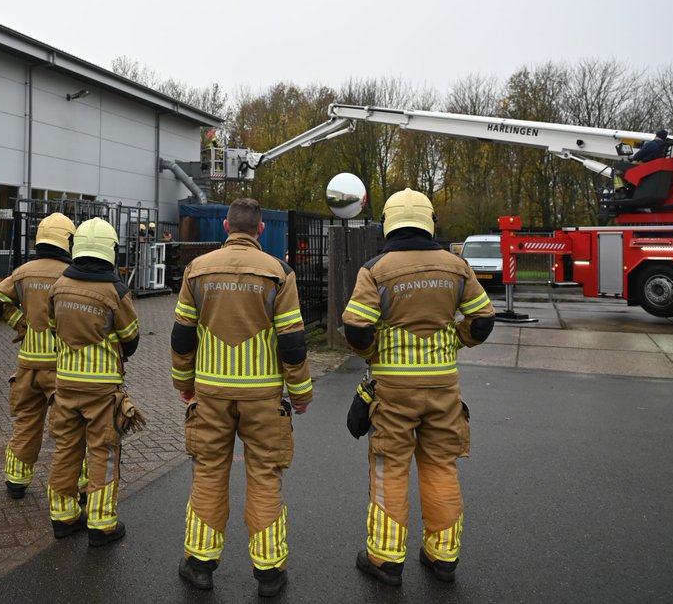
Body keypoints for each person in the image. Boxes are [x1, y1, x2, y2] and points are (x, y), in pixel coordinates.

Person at [342, 188, 496, 587]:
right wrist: (455, 341)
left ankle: (386, 560)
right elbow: (482, 320)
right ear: (430, 223)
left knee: (389, 468)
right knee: (441, 466)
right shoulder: (456, 266)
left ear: (388, 224)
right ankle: (443, 557)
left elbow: (357, 327)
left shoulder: (376, 268)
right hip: (443, 387)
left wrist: (375, 353)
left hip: (393, 391)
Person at [171, 198, 312, 597]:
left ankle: (199, 565)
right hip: (264, 398)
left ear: (227, 225)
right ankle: (268, 572)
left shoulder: (197, 271)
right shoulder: (280, 273)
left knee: (209, 472)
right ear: (261, 229)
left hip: (211, 395)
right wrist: (300, 392)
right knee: (265, 475)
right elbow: (293, 341)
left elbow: (182, 335)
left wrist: (184, 382)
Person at [46, 217, 140, 547]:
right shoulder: (115, 291)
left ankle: (63, 516)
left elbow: (53, 326)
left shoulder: (59, 285)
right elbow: (131, 338)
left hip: (66, 384)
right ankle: (101, 524)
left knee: (66, 450)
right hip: (102, 389)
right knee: (103, 452)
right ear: (110, 249)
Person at [0, 212, 78, 500]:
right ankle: (74, 487)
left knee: (26, 422)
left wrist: (20, 322)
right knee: (69, 429)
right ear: (68, 240)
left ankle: (16, 480)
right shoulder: (71, 274)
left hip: (27, 366)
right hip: (60, 368)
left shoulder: (23, 272)